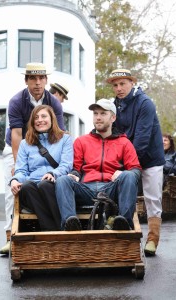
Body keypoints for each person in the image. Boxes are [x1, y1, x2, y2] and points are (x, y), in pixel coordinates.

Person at [0, 62, 65, 254]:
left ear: (46, 80)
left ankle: (54, 228)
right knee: (12, 187)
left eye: (41, 78)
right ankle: (10, 236)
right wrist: (17, 166)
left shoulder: (54, 102)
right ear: (26, 80)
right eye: (33, 78)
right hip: (17, 146)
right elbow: (17, 135)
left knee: (53, 181)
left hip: (45, 146)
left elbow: (58, 133)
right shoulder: (16, 101)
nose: (37, 83)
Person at [55, 99, 141, 231]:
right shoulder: (81, 141)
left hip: (110, 190)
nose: (98, 118)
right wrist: (74, 174)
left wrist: (123, 173)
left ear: (113, 117)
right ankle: (69, 223)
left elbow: (136, 171)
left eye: (103, 113)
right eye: (95, 114)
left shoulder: (124, 143)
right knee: (63, 180)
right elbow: (76, 168)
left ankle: (124, 222)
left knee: (129, 175)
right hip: (85, 189)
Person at [106, 68, 165, 256]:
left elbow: (142, 139)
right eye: (115, 85)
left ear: (132, 83)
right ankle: (122, 235)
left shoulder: (145, 103)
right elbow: (114, 134)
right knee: (116, 188)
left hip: (150, 158)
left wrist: (127, 167)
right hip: (128, 158)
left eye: (122, 83)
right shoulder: (115, 105)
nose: (119, 88)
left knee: (152, 198)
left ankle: (153, 239)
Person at [10, 105, 73, 231]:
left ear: (52, 119)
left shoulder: (65, 139)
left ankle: (53, 230)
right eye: (36, 117)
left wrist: (53, 173)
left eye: (44, 116)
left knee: (45, 185)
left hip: (54, 184)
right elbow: (21, 169)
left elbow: (66, 165)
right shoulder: (25, 143)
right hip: (33, 187)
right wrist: (15, 180)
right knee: (26, 186)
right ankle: (54, 230)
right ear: (32, 122)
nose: (40, 120)